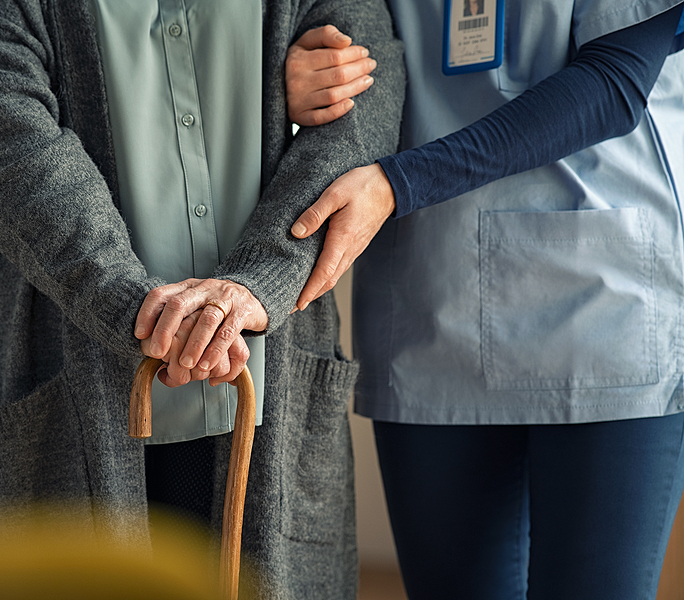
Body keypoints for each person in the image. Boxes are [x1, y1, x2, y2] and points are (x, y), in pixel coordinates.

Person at [0, 0, 404, 597]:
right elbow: (3, 147)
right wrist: (150, 314)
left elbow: (366, 102)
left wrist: (255, 286)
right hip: (58, 372)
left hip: (265, 374)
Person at [279, 2, 684, 599]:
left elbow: (616, 81)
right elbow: (328, 29)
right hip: (431, 297)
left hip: (601, 307)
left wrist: (400, 182)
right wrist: (297, 81)